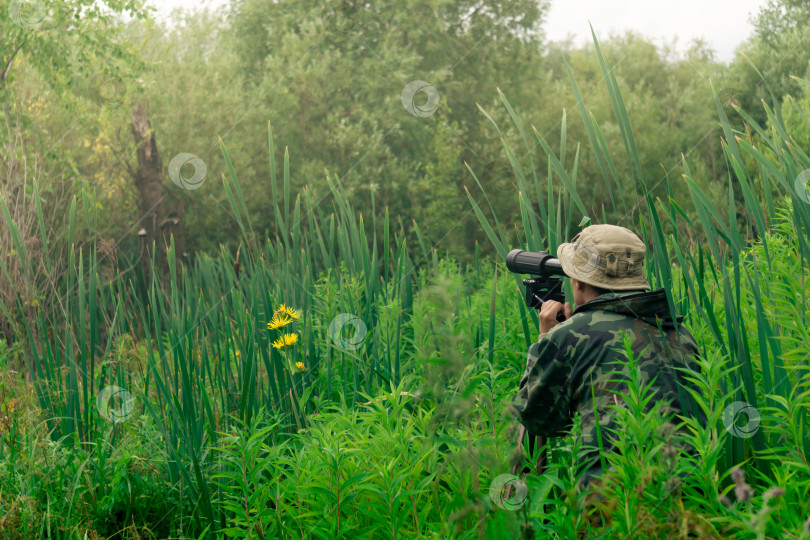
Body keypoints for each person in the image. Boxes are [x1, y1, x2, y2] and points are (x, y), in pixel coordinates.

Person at [510, 224, 704, 486]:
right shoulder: (679, 332)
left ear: (577, 282)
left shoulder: (571, 335)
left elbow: (536, 418)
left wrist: (546, 339)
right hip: (686, 499)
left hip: (609, 503)